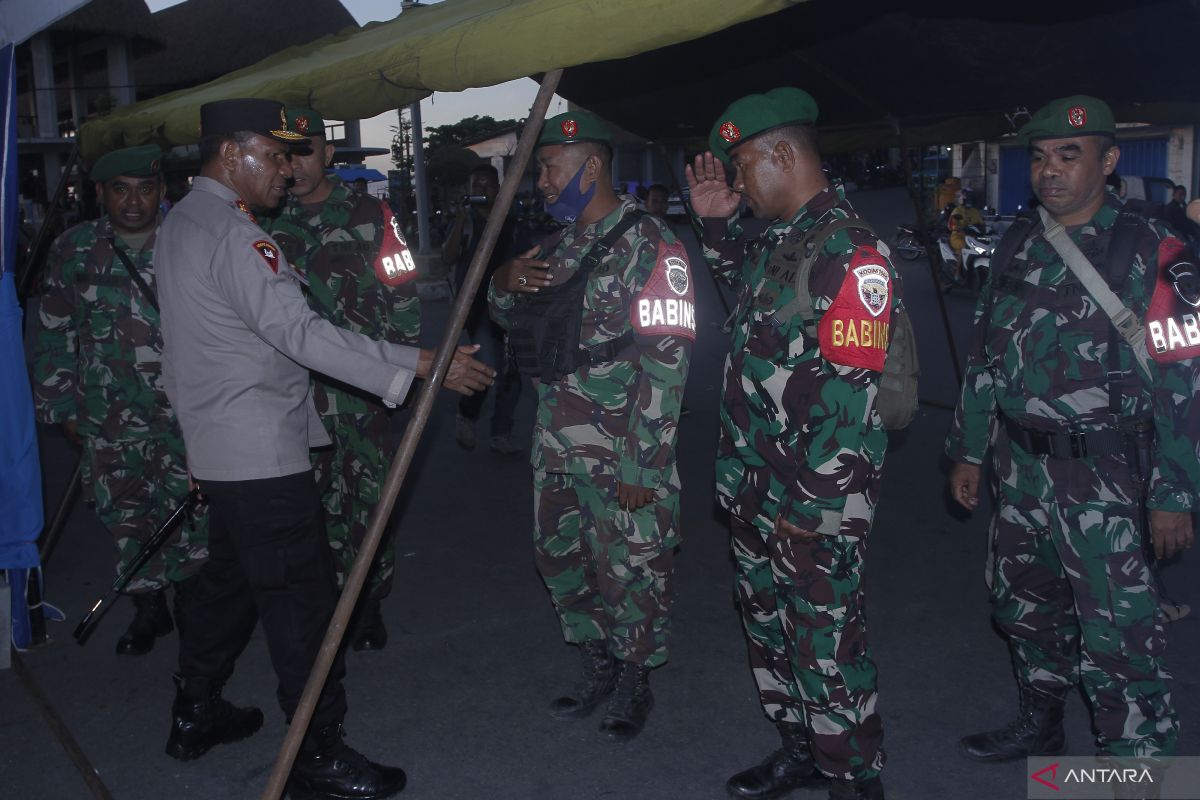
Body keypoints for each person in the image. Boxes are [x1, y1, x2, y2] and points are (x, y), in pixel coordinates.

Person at [155, 98, 493, 800]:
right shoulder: (235, 235)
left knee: (230, 582)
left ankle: (196, 707)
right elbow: (302, 334)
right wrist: (420, 363)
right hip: (260, 452)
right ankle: (317, 749)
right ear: (231, 153)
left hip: (223, 446)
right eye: (274, 155)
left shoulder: (183, 221)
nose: (286, 169)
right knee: (301, 602)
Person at [946, 95, 1199, 766]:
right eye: (1039, 158)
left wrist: (1174, 493)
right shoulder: (1018, 239)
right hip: (1021, 468)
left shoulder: (1154, 250)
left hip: (1107, 476)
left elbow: (1185, 383)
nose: (1049, 171)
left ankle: (1139, 776)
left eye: (1069, 156)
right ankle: (1043, 724)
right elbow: (986, 357)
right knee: (1025, 609)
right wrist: (969, 450)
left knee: (1121, 639)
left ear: (1109, 161)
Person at [685, 87, 898, 800]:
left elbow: (849, 403)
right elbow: (756, 315)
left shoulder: (850, 247)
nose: (737, 185)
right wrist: (716, 230)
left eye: (742, 167)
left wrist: (806, 508)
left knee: (826, 644)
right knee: (771, 631)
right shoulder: (782, 239)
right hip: (757, 486)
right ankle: (800, 747)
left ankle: (854, 776)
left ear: (782, 153)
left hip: (815, 495)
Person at [488, 111, 695, 742]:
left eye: (549, 167)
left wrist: (644, 464)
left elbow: (669, 361)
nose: (542, 183)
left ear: (593, 165)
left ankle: (636, 676)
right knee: (562, 557)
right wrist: (501, 283)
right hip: (556, 442)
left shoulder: (652, 244)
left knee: (632, 565)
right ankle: (595, 660)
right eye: (541, 171)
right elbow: (512, 320)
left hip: (621, 442)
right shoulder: (553, 246)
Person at [31, 144, 208, 657]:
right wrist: (61, 409)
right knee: (125, 514)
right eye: (120, 189)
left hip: (183, 413)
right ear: (100, 193)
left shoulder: (188, 243)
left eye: (145, 189)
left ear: (162, 192)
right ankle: (148, 608)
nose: (134, 201)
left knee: (192, 512)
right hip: (106, 414)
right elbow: (54, 334)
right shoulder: (74, 249)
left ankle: (195, 611)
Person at [261, 108, 419, 652]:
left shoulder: (372, 214)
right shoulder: (259, 221)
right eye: (282, 154)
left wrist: (402, 374)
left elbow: (402, 295)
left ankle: (367, 601)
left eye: (304, 150)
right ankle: (318, 602)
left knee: (367, 500)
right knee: (304, 503)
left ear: (328, 153)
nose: (293, 165)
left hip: (357, 391)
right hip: (289, 390)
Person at [442, 163, 529, 455]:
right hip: (477, 310)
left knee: (513, 373)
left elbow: (527, 262)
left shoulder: (513, 221)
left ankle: (500, 432)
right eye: (476, 186)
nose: (482, 191)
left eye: (487, 185)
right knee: (488, 366)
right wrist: (459, 219)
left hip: (512, 309)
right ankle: (467, 415)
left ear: (499, 188)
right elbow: (448, 257)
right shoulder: (465, 222)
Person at [946, 188, 984, 285]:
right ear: (963, 199)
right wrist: (958, 228)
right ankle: (957, 273)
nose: (970, 201)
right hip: (958, 237)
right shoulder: (957, 210)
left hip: (973, 238)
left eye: (971, 199)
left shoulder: (975, 211)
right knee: (964, 248)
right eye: (968, 199)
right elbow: (951, 224)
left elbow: (982, 224)